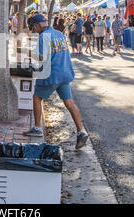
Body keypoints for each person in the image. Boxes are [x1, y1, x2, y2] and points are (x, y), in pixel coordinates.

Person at [23, 14, 89, 149]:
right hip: (65, 72)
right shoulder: (58, 33)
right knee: (69, 103)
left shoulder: (43, 37)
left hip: (52, 74)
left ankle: (37, 128)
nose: (34, 30)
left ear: (36, 25)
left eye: (33, 28)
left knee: (36, 97)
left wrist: (27, 53)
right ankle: (81, 132)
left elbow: (41, 57)